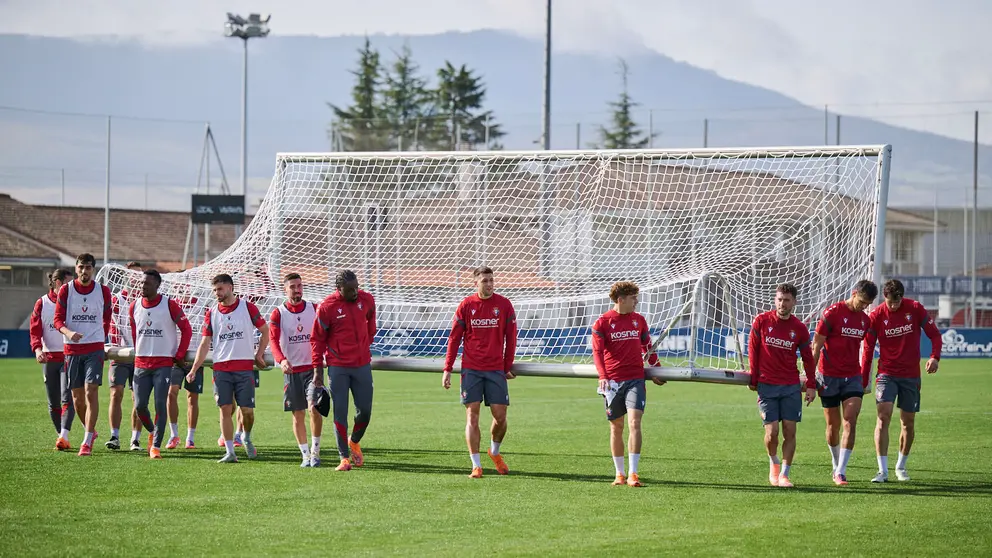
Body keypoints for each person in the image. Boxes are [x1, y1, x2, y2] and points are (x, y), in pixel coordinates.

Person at [860, 279, 942, 483]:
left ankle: (900, 466)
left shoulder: (915, 308)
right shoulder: (876, 315)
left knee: (908, 422)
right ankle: (882, 470)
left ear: (902, 297)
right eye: (890, 302)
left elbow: (935, 335)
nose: (894, 306)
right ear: (884, 298)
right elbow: (868, 348)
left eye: (897, 302)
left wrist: (934, 357)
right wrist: (863, 378)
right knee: (883, 416)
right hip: (886, 374)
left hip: (911, 375)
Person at [442, 266, 518, 479]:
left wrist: (506, 366)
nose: (489, 284)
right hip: (471, 369)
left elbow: (511, 339)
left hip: (495, 370)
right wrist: (447, 368)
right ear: (476, 283)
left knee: (500, 417)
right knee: (472, 416)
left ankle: (494, 452)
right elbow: (454, 339)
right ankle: (476, 465)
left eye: (491, 280)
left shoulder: (504, 305)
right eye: (485, 280)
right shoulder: (466, 305)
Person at [591, 280, 666, 487]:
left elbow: (647, 347)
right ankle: (619, 473)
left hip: (635, 379)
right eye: (633, 298)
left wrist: (656, 368)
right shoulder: (602, 323)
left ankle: (633, 473)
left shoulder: (639, 320)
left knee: (635, 423)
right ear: (621, 299)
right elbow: (597, 353)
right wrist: (603, 375)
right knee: (616, 427)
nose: (637, 302)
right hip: (612, 382)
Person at [187, 274, 269, 463]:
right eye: (215, 290)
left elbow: (265, 331)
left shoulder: (247, 307)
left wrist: (259, 354)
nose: (217, 293)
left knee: (247, 411)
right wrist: (194, 369)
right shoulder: (212, 313)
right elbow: (205, 344)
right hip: (221, 369)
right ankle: (230, 451)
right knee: (225, 409)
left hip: (244, 368)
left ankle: (246, 437)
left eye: (220, 289)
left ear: (231, 288)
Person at [748, 282, 817, 488]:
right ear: (775, 300)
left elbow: (808, 358)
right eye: (779, 299)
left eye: (786, 300)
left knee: (790, 430)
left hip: (790, 386)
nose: (782, 303)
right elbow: (753, 350)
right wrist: (754, 377)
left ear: (794, 302)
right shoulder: (761, 321)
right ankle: (774, 463)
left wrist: (811, 385)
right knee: (772, 433)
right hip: (767, 384)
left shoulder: (800, 329)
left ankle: (785, 475)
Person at [810, 279, 878, 485]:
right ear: (854, 293)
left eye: (868, 304)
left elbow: (866, 350)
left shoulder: (865, 321)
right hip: (828, 376)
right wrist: (811, 379)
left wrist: (864, 378)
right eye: (862, 301)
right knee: (833, 425)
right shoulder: (832, 313)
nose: (864, 306)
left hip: (852, 377)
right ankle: (835, 463)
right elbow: (816, 346)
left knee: (850, 420)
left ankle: (841, 471)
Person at [310, 269, 376, 472]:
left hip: (362, 365)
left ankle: (354, 441)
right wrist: (318, 370)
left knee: (364, 412)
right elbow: (317, 339)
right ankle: (344, 458)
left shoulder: (367, 300)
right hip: (337, 368)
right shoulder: (327, 307)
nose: (355, 292)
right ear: (338, 289)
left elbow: (371, 328)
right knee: (340, 413)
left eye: (356, 287)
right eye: (350, 289)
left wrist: (363, 349)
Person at [128, 270, 192, 459]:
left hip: (163, 364)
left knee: (159, 405)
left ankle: (155, 446)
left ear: (157, 285)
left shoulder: (169, 305)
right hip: (141, 363)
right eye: (141, 283)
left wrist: (179, 354)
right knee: (139, 406)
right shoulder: (134, 306)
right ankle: (153, 431)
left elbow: (186, 329)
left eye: (147, 283)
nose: (142, 286)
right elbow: (135, 333)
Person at [54, 253, 113, 456]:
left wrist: (100, 337)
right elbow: (57, 320)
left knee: (91, 391)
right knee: (77, 399)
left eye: (88, 267)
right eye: (81, 267)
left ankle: (87, 441)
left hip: (94, 349)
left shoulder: (103, 291)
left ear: (93, 270)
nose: (84, 271)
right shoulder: (66, 290)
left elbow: (107, 318)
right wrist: (69, 333)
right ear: (76, 268)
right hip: (71, 350)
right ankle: (92, 431)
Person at [269, 273, 322, 467]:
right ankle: (305, 455)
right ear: (285, 289)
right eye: (292, 286)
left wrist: (323, 357)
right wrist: (281, 360)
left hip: (312, 369)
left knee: (314, 409)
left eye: (299, 285)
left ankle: (316, 452)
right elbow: (273, 340)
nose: (297, 289)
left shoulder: (314, 309)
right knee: (297, 414)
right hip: (291, 371)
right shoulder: (278, 313)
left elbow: (324, 333)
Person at [30, 268, 76, 449]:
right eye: (68, 284)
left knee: (68, 398)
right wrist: (37, 350)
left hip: (68, 357)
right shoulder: (42, 303)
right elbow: (35, 330)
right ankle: (61, 436)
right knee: (53, 403)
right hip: (49, 359)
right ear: (58, 283)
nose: (72, 288)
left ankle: (64, 435)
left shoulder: (72, 303)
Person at [108, 261, 143, 451]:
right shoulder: (116, 300)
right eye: (132, 275)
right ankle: (114, 436)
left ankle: (135, 439)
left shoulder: (146, 301)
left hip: (140, 357)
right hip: (120, 355)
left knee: (138, 399)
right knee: (116, 393)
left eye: (139, 275)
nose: (136, 279)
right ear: (126, 277)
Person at [166, 279, 203, 449]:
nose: (182, 288)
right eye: (178, 285)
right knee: (171, 393)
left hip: (195, 359)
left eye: (185, 284)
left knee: (192, 398)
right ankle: (174, 435)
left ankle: (190, 437)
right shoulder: (170, 306)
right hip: (175, 358)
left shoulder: (201, 305)